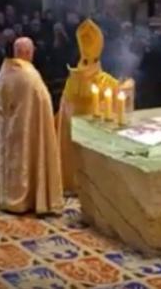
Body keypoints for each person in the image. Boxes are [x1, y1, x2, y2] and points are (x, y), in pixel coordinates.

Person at [0, 37, 64, 214]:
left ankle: (5, 196)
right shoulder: (29, 75)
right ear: (26, 53)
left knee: (9, 162)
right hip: (27, 129)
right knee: (26, 163)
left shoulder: (4, 71)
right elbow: (42, 101)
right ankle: (25, 199)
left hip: (7, 129)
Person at [56, 19, 121, 192]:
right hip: (93, 129)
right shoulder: (106, 82)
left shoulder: (73, 79)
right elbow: (115, 96)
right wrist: (124, 86)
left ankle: (71, 182)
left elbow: (64, 105)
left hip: (72, 127)